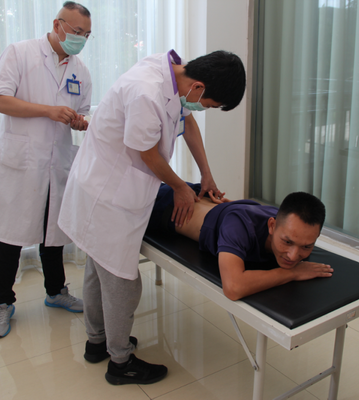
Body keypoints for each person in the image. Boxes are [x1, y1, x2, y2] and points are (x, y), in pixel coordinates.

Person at [58, 49, 246, 385]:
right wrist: (180, 187)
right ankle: (120, 362)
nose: (204, 109)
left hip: (108, 185)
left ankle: (97, 343)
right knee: (122, 283)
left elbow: (187, 124)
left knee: (97, 270)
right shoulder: (146, 92)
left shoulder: (175, 75)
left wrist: (206, 175)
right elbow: (146, 154)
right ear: (199, 88)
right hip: (108, 194)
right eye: (210, 104)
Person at [0, 1, 92, 339]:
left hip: (56, 163)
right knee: (10, 236)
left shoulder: (80, 71)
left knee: (53, 234)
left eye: (87, 34)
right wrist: (48, 110)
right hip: (22, 163)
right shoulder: (20, 53)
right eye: (77, 31)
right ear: (58, 25)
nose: (81, 39)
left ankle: (56, 291)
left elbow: (81, 113)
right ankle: (3, 302)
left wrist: (78, 121)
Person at [148, 183, 333, 300]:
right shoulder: (239, 227)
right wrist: (292, 272)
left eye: (307, 246)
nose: (293, 256)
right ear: (272, 226)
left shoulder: (286, 223)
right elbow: (233, 288)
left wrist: (232, 205)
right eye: (287, 242)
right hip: (160, 204)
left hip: (199, 198)